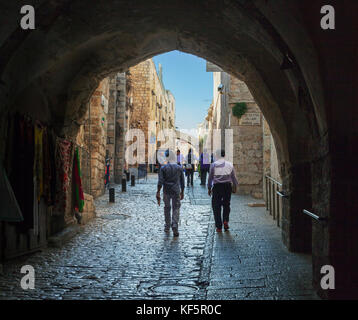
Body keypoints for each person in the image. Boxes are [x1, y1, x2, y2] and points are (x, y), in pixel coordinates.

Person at [208, 149, 239, 232]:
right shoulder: (230, 164)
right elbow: (233, 177)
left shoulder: (213, 165)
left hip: (217, 187)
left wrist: (209, 187)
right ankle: (225, 220)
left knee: (216, 206)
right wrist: (235, 186)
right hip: (227, 186)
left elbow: (210, 177)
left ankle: (218, 226)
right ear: (224, 155)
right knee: (226, 204)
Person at [156, 150, 185, 237]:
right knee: (176, 207)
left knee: (167, 207)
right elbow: (182, 182)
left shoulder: (163, 168)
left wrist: (158, 191)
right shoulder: (179, 168)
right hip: (176, 190)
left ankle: (167, 225)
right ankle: (175, 224)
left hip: (166, 190)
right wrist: (182, 192)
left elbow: (160, 181)